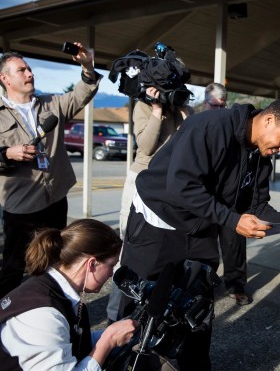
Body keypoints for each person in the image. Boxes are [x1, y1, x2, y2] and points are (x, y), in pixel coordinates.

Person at [117, 97, 280, 370]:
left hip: (200, 227)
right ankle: (123, 361)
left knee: (198, 310)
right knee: (142, 304)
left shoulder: (262, 155)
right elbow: (181, 187)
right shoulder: (209, 127)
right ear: (268, 120)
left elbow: (254, 204)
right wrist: (231, 220)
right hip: (158, 222)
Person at [0, 45, 102, 298]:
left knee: (54, 262)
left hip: (55, 199)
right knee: (14, 267)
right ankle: (6, 318)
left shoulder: (52, 104)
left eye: (30, 69)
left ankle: (49, 306)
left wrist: (87, 66)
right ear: (5, 78)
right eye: (21, 70)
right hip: (21, 206)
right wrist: (6, 154)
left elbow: (82, 93)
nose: (29, 73)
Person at [108, 64, 193, 322]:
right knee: (131, 247)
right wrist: (157, 111)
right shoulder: (143, 107)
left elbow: (194, 139)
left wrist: (184, 111)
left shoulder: (181, 110)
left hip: (171, 182)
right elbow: (145, 146)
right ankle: (117, 314)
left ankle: (157, 308)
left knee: (165, 246)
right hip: (142, 179)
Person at [0, 219, 137, 370]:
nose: (111, 274)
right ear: (91, 264)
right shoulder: (45, 314)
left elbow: (70, 342)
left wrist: (115, 332)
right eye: (111, 265)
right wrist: (108, 340)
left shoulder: (50, 287)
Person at [204, 82, 251, 305]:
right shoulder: (198, 124)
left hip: (230, 196)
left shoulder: (232, 125)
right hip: (204, 196)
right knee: (203, 244)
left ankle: (236, 284)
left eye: (223, 106)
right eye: (215, 106)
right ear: (205, 104)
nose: (219, 111)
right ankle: (202, 284)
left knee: (234, 243)